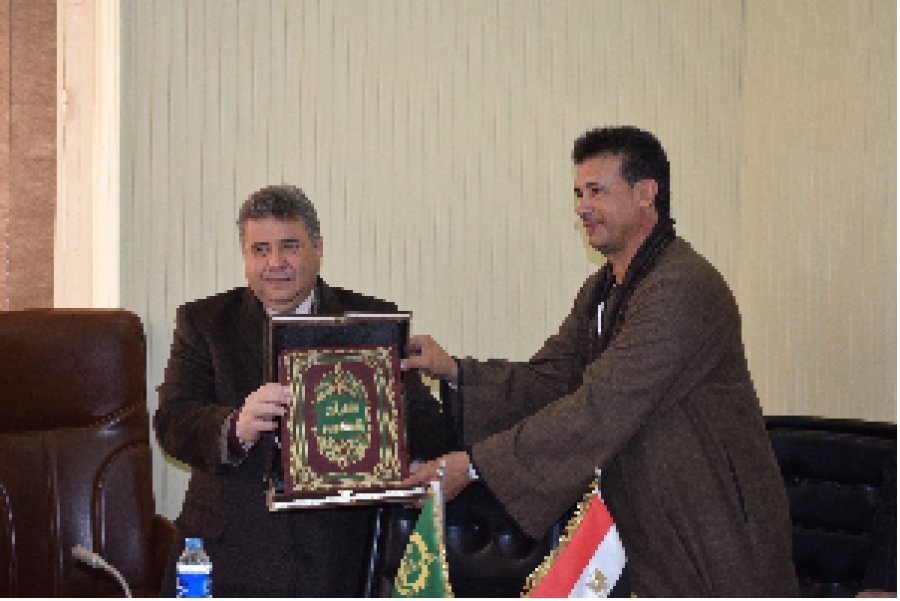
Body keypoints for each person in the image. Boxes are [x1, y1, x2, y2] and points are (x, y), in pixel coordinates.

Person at [402, 126, 799, 597]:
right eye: (578, 193)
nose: (582, 208)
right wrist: (453, 370)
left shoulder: (682, 287)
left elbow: (600, 407)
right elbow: (549, 382)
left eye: (596, 191)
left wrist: (473, 466)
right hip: (648, 524)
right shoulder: (603, 288)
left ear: (645, 193)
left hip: (711, 522)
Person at [154, 184, 447, 597]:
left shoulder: (371, 322)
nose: (275, 263)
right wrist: (236, 426)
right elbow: (173, 422)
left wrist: (399, 451)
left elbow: (428, 425)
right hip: (229, 557)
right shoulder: (204, 323)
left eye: (289, 246)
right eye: (260, 250)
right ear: (245, 256)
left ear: (317, 247)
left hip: (340, 561)